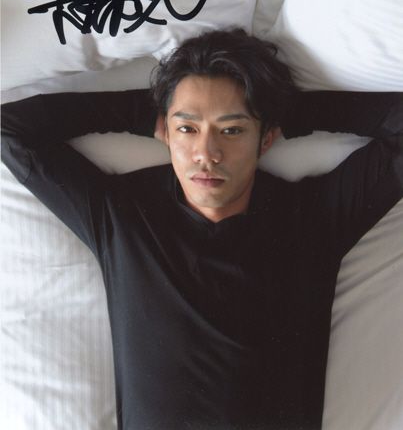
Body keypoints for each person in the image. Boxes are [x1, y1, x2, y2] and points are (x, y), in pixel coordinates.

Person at [2, 28, 402, 430]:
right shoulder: (124, 217)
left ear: (265, 139)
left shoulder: (313, 218)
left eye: (232, 130)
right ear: (166, 132)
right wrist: (151, 113)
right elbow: (10, 130)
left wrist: (283, 112)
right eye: (188, 130)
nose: (207, 154)